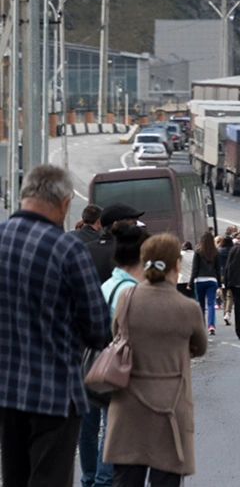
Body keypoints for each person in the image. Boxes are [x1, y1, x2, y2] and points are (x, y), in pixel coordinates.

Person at [0, 165, 110, 487]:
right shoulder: (67, 250)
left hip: (6, 392)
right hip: (55, 394)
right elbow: (98, 328)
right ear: (64, 203)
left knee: (14, 478)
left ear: (23, 196)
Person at [103, 234, 207, 486]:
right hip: (170, 406)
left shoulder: (126, 299)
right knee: (166, 479)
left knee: (126, 479)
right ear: (176, 266)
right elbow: (201, 347)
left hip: (129, 402)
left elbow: (117, 334)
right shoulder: (188, 308)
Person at [85, 223, 146, 487]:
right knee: (114, 433)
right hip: (119, 371)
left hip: (96, 364)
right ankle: (101, 481)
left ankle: (94, 479)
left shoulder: (109, 285)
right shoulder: (130, 292)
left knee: (98, 429)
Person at [188, 232, 221, 335]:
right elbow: (218, 270)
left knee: (201, 305)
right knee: (211, 304)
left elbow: (195, 269)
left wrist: (190, 283)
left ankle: (201, 326)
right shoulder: (215, 252)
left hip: (200, 280)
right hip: (212, 280)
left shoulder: (198, 252)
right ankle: (211, 326)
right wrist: (220, 284)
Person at [217, 232, 234, 326]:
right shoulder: (233, 250)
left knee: (223, 295)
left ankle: (225, 314)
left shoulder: (219, 252)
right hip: (231, 275)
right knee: (230, 295)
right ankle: (227, 313)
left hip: (221, 274)